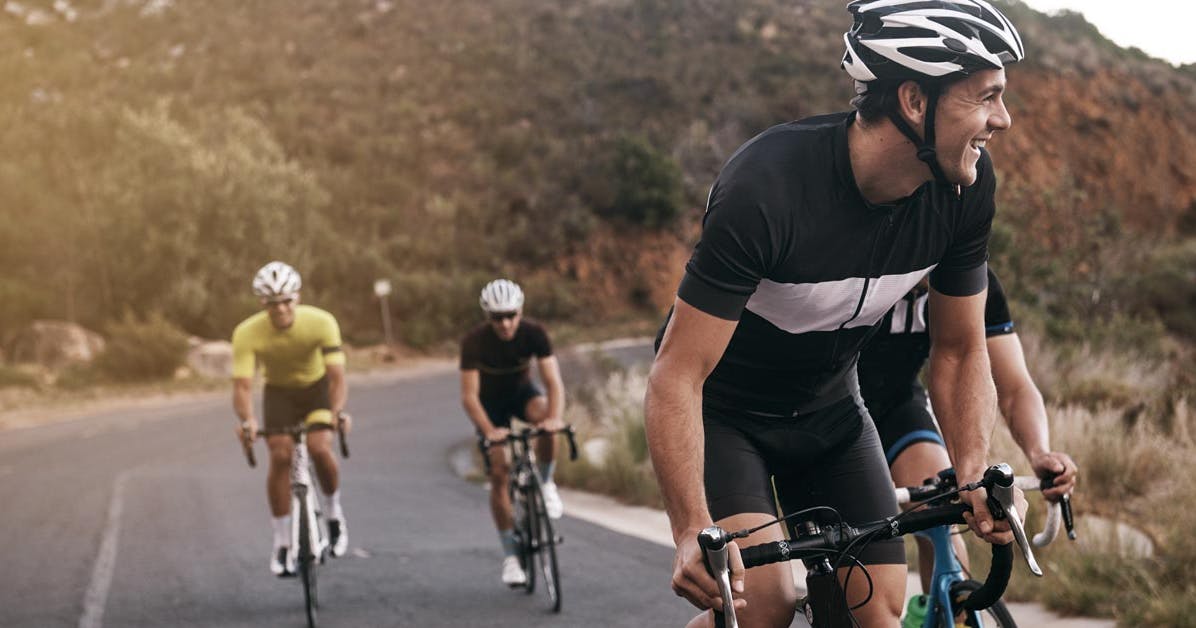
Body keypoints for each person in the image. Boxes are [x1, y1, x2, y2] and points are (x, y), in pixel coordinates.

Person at [644, 1, 1029, 626]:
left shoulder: (966, 189)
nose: (1002, 120)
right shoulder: (767, 189)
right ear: (913, 101)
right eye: (986, 97)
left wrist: (973, 471)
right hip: (728, 416)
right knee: (761, 603)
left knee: (876, 614)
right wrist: (691, 528)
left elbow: (959, 349)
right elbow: (677, 373)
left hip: (832, 414)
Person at [859, 268, 1078, 592]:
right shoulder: (860, 263)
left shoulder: (969, 277)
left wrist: (1039, 451)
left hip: (896, 404)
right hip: (825, 406)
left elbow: (1015, 387)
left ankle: (946, 608)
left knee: (940, 508)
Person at [232, 261, 352, 577]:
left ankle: (333, 514)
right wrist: (248, 421)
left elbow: (337, 378)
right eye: (273, 303)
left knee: (319, 447)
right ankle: (283, 542)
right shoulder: (247, 332)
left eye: (287, 300)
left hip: (316, 390)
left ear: (297, 297)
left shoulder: (322, 322)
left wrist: (336, 413)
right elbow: (243, 386)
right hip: (279, 394)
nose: (281, 309)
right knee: (281, 455)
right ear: (263, 304)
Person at [460, 278, 567, 587]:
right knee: (499, 469)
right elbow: (468, 395)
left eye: (510, 315)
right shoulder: (474, 342)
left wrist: (555, 420)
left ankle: (545, 484)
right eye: (497, 317)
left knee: (546, 422)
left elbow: (553, 383)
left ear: (520, 311)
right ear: (486, 316)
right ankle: (510, 557)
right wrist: (490, 430)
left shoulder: (534, 333)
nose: (505, 323)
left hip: (522, 395)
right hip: (490, 406)